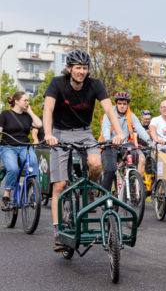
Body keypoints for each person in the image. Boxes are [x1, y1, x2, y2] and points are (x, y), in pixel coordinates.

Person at [43, 49, 125, 252]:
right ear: (69, 69)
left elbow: (108, 109)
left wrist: (119, 132)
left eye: (85, 68)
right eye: (78, 68)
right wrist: (48, 133)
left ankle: (89, 195)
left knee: (96, 164)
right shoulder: (57, 83)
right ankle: (57, 233)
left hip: (84, 132)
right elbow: (48, 109)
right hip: (59, 133)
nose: (81, 72)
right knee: (60, 185)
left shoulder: (94, 84)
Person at [100, 92, 154, 192]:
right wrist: (108, 140)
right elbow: (105, 129)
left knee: (141, 158)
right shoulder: (109, 114)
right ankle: (105, 196)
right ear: (116, 104)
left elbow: (140, 129)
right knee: (110, 169)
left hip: (125, 145)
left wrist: (149, 141)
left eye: (124, 104)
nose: (122, 106)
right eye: (120, 103)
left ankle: (134, 188)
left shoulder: (131, 116)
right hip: (109, 144)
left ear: (127, 105)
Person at [0, 92, 42, 211]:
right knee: (13, 169)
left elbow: (39, 124)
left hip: (24, 147)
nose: (27, 102)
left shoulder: (27, 116)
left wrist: (30, 111)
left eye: (28, 100)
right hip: (8, 147)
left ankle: (34, 193)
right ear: (16, 101)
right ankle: (7, 195)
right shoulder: (5, 114)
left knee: (33, 163)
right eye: (25, 100)